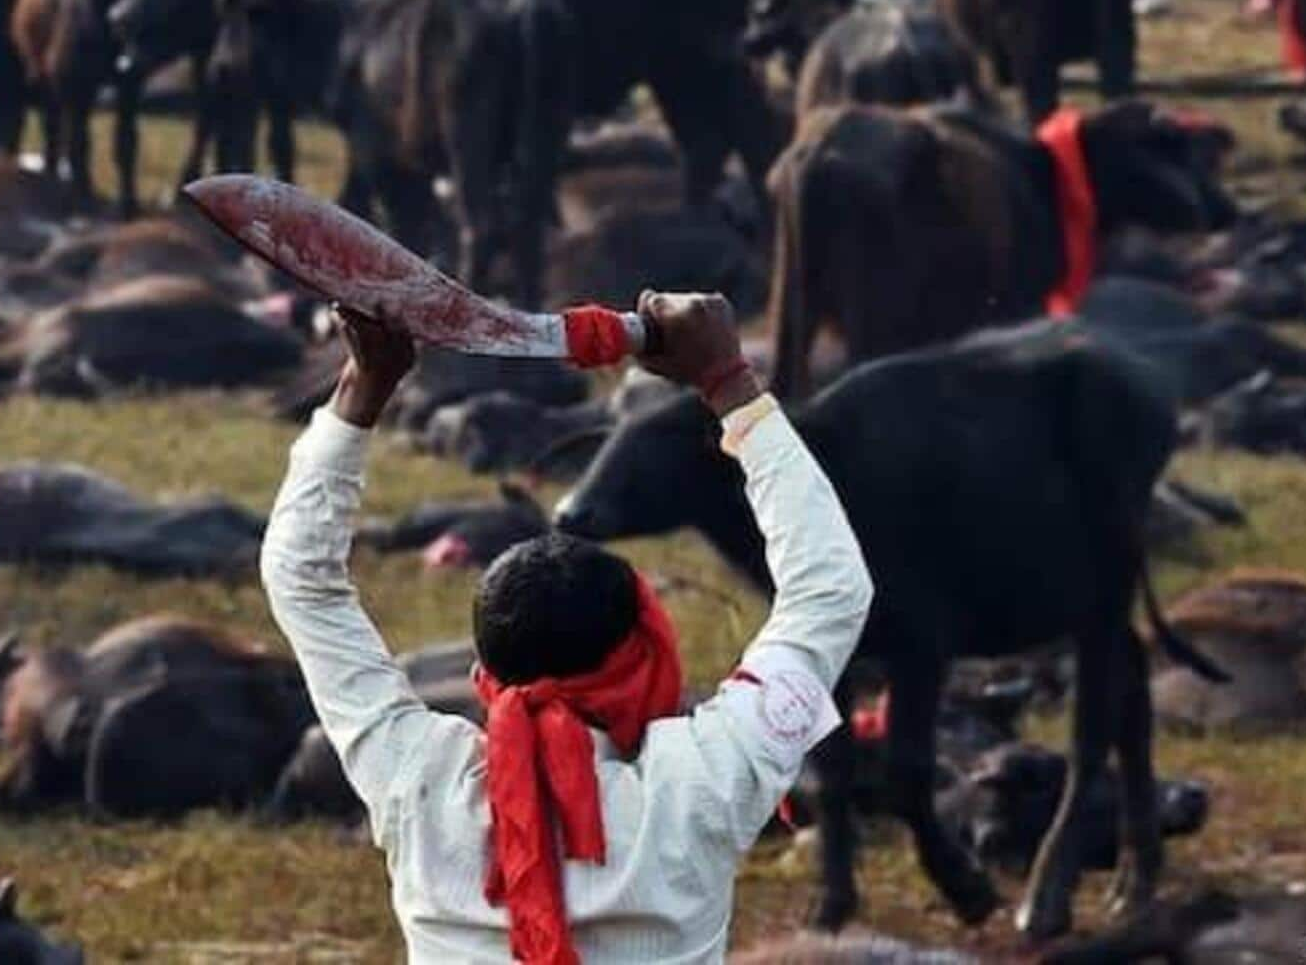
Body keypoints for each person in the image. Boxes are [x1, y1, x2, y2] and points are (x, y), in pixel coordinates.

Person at [260, 291, 873, 964]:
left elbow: (302, 580)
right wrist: (730, 384)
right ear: (644, 656)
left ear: (483, 678)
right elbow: (831, 589)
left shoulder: (419, 775)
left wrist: (361, 387)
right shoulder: (703, 778)